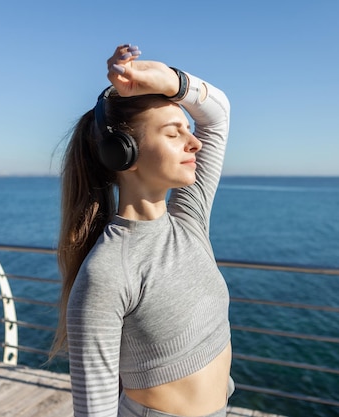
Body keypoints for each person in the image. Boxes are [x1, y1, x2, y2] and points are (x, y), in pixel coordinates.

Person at [51, 43, 232, 417]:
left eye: (187, 130)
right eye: (173, 133)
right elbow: (94, 410)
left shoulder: (189, 220)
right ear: (124, 153)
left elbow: (217, 115)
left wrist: (170, 80)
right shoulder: (108, 271)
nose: (194, 141)